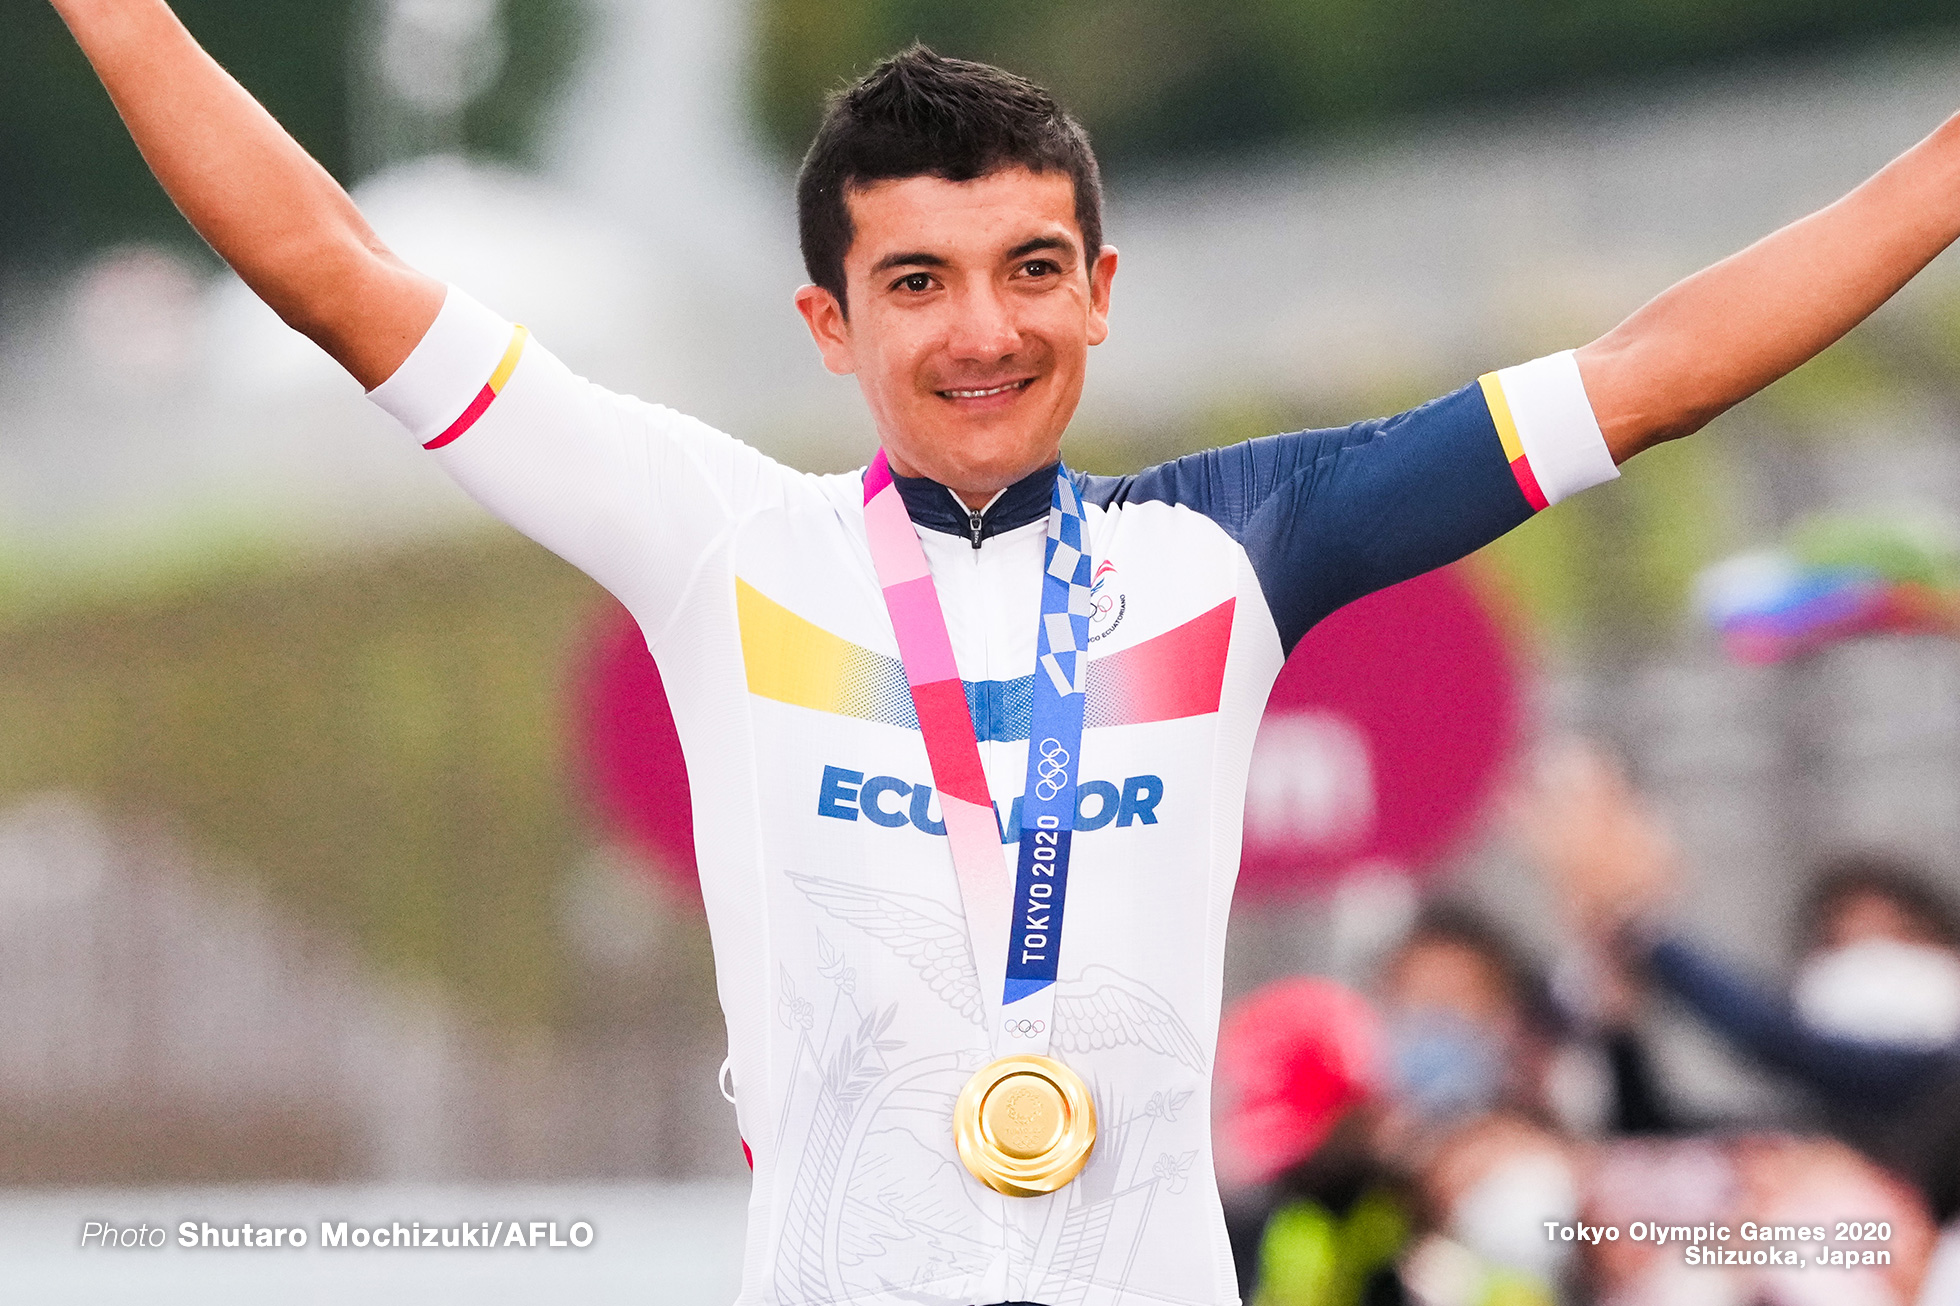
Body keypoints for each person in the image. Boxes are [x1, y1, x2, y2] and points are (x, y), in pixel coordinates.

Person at [46, 0, 1960, 1296]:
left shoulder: (1229, 553)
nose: (985, 331)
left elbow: (1649, 377)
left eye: (1033, 270)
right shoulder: (722, 544)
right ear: (829, 323)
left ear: (1101, 292)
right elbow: (330, 272)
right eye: (918, 283)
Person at [1521, 742, 1960, 1220]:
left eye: (1898, 935)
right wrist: (1619, 1027)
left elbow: (1777, 1042)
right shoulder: (1821, 1134)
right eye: (1840, 942)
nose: (1874, 962)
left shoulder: (1939, 1083)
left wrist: (1638, 924)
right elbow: (1653, 1135)